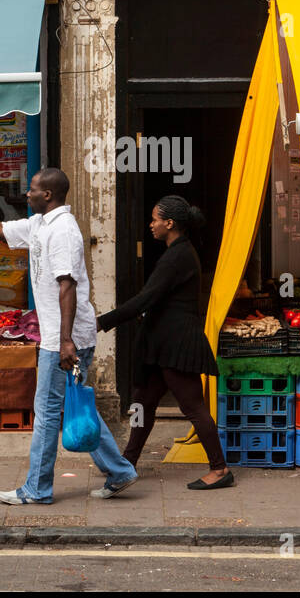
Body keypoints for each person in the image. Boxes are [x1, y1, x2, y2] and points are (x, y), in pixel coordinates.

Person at [0, 168, 138, 503]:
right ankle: (120, 470)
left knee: (48, 410)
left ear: (48, 195)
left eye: (33, 190)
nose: (27, 194)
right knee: (74, 405)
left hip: (64, 339)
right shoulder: (40, 224)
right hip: (61, 336)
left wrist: (66, 341)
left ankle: (37, 488)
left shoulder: (64, 231)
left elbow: (67, 286)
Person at [97, 196, 232, 490]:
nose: (151, 225)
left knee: (193, 407)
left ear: (169, 224)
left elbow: (147, 297)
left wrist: (102, 322)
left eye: (155, 219)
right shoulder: (177, 252)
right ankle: (126, 464)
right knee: (142, 403)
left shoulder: (178, 256)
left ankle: (220, 469)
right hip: (161, 346)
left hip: (176, 344)